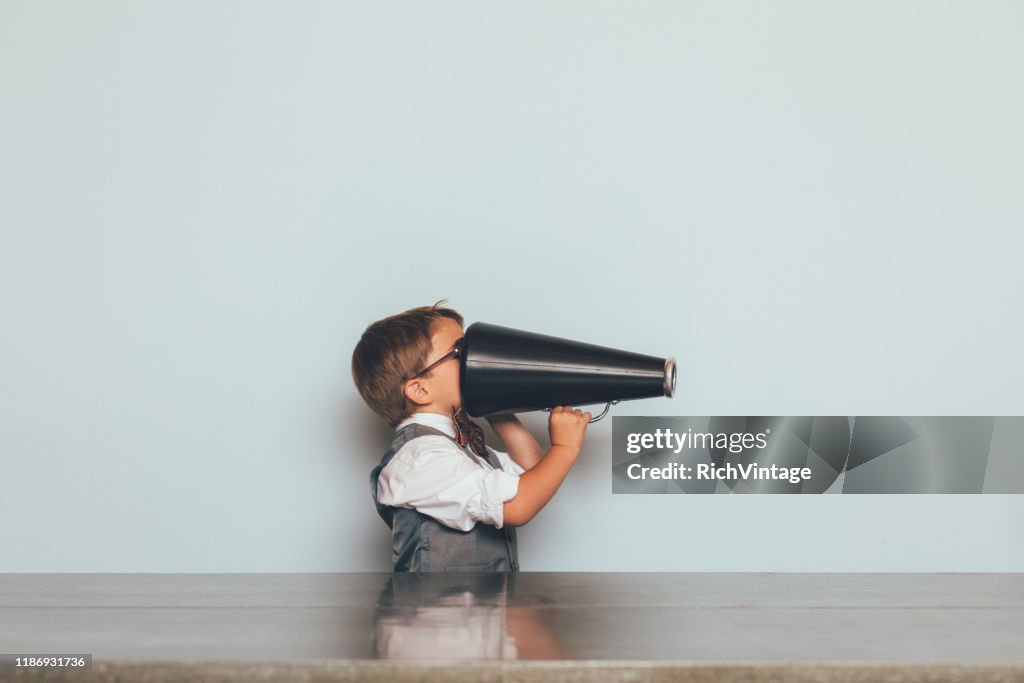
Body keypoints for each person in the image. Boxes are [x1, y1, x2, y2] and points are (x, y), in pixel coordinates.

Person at [351, 300, 590, 572]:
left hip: (478, 610)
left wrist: (500, 414)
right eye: (459, 351)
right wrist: (564, 447)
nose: (473, 359)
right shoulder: (421, 457)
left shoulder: (457, 445)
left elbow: (531, 474)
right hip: (436, 611)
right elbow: (519, 505)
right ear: (420, 391)